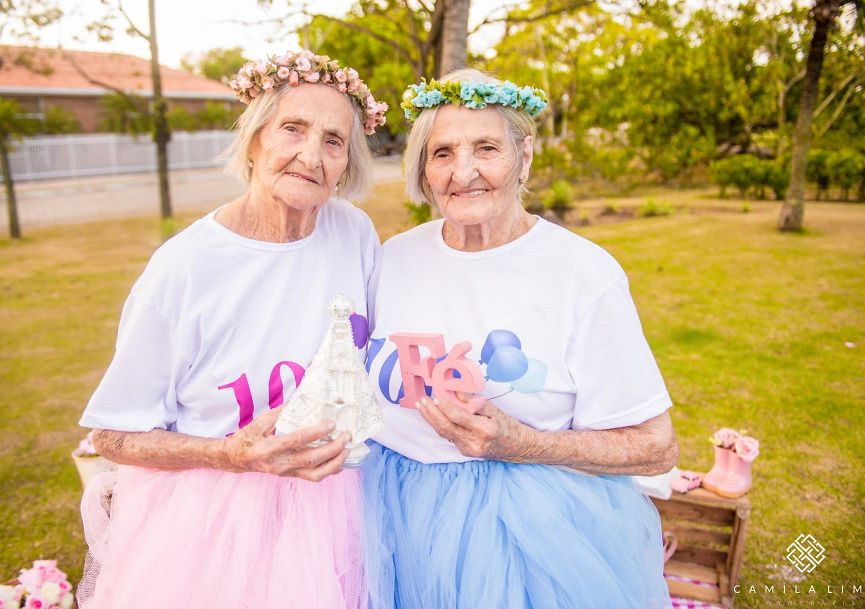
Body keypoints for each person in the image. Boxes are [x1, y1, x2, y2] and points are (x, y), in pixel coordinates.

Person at [76, 50, 387, 609]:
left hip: (346, 503)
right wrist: (231, 455)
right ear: (255, 138)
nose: (311, 155)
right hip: (219, 526)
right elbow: (112, 436)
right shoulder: (186, 268)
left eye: (333, 140)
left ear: (348, 161)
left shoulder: (355, 233)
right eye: (293, 128)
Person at [362, 69, 678, 609]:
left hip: (529, 533)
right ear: (423, 168)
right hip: (385, 520)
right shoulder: (391, 258)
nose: (464, 173)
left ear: (524, 156)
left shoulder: (583, 273)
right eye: (442, 153)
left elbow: (655, 447)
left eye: (486, 147)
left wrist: (520, 442)